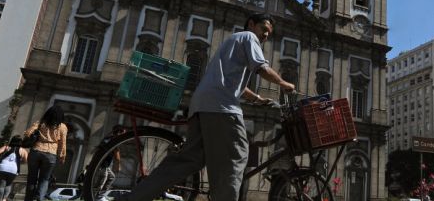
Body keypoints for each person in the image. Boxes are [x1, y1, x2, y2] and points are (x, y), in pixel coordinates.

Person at [126, 13, 296, 201]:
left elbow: (231, 79)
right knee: (236, 156)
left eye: (269, 33)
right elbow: (261, 67)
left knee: (186, 161)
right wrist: (283, 84)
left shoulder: (232, 41)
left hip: (201, 106)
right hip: (222, 107)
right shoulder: (249, 37)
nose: (265, 35)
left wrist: (256, 98)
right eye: (263, 29)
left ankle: (134, 198)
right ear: (251, 24)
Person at [23, 105, 67, 201]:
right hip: (51, 154)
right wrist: (61, 156)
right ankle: (40, 198)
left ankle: (28, 199)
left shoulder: (40, 123)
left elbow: (27, 133)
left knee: (31, 179)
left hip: (36, 151)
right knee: (44, 180)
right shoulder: (62, 127)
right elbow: (62, 143)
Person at [94, 125, 126, 199]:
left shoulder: (107, 138)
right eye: (123, 133)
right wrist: (118, 165)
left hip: (102, 164)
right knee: (102, 180)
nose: (124, 135)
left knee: (111, 177)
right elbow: (117, 154)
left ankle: (100, 195)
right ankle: (96, 197)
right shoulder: (114, 140)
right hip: (102, 164)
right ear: (119, 132)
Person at [0, 136, 27, 201]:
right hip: (13, 169)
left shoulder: (7, 147)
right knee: (8, 184)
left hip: (2, 168)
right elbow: (26, 160)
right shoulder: (22, 150)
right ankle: (4, 199)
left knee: (1, 186)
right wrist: (19, 161)